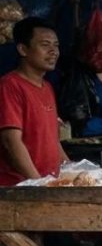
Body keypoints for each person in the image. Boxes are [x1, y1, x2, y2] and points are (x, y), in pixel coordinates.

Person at [0, 17, 68, 185]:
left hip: (48, 184)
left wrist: (73, 169)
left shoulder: (47, 88)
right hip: (20, 189)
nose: (54, 51)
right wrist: (38, 184)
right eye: (45, 45)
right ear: (23, 49)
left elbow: (52, 140)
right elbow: (11, 140)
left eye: (56, 45)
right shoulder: (10, 85)